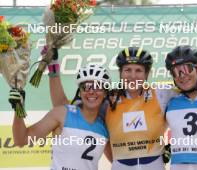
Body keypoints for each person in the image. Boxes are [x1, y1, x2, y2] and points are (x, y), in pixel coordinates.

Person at [48, 47, 177, 170]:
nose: (133, 76)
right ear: (120, 73)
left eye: (138, 70)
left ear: (146, 74)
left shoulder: (161, 94)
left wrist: (176, 147)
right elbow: (62, 106)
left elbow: (191, 100)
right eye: (127, 70)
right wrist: (53, 67)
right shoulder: (108, 100)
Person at [9, 64, 111, 170]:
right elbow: (21, 140)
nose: (91, 91)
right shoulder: (62, 113)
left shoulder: (105, 126)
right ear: (80, 92)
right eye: (86, 87)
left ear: (105, 93)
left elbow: (119, 159)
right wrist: (18, 108)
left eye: (98, 86)